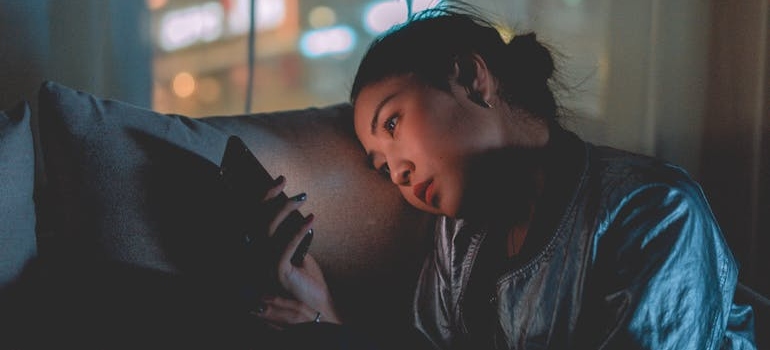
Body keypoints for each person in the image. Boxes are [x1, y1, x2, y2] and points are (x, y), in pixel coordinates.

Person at [253, 2, 757, 349]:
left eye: (393, 123)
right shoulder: (458, 240)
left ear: (473, 78)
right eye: (382, 167)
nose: (400, 173)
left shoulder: (653, 210)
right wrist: (326, 316)